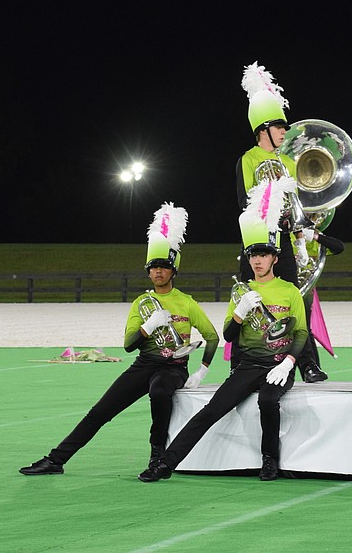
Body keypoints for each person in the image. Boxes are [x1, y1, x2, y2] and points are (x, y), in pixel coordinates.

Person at [19, 203, 220, 478]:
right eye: (153, 267)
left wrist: (201, 371)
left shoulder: (186, 303)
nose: (158, 271)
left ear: (174, 271)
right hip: (144, 364)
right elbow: (129, 345)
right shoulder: (141, 303)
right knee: (100, 411)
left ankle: (157, 458)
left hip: (173, 368)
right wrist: (148, 327)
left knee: (160, 393)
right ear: (147, 272)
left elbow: (212, 337)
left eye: (164, 266)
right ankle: (56, 459)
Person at [139, 181, 309, 483]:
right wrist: (240, 313)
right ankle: (165, 463)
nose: (257, 260)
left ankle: (270, 460)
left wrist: (288, 363)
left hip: (278, 366)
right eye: (252, 255)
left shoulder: (289, 291)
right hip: (248, 365)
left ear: (275, 258)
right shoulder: (240, 291)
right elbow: (229, 336)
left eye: (263, 254)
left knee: (268, 401)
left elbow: (301, 333)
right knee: (211, 410)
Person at [235, 61, 325, 382]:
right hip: (258, 240)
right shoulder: (248, 160)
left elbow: (298, 203)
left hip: (285, 240)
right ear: (264, 130)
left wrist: (301, 229)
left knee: (296, 299)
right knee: (251, 299)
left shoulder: (287, 160)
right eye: (280, 127)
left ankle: (308, 364)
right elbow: (246, 202)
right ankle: (242, 362)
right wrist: (273, 198)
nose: (286, 131)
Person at [295, 223, 345, 381]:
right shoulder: (287, 235)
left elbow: (339, 247)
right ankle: (309, 368)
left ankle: (312, 368)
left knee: (305, 329)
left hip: (305, 290)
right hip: (285, 288)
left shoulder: (315, 238)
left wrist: (316, 237)